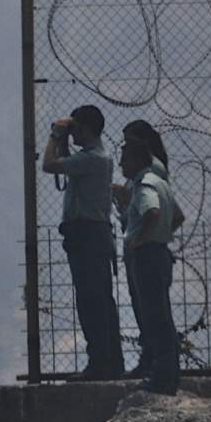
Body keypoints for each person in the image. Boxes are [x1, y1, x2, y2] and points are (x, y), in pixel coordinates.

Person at [42, 105, 123, 379]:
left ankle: (100, 364)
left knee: (91, 302)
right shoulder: (95, 157)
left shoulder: (93, 159)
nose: (72, 131)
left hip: (87, 235)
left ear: (86, 128)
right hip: (93, 234)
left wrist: (55, 136)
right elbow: (69, 164)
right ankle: (111, 363)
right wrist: (65, 143)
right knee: (100, 300)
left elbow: (48, 165)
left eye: (75, 127)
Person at [112, 120, 177, 378]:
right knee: (149, 308)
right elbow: (174, 215)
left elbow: (152, 210)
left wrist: (146, 238)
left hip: (145, 248)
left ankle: (156, 364)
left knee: (151, 310)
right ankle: (156, 362)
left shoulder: (150, 175)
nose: (121, 161)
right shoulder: (149, 175)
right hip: (147, 245)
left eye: (129, 144)